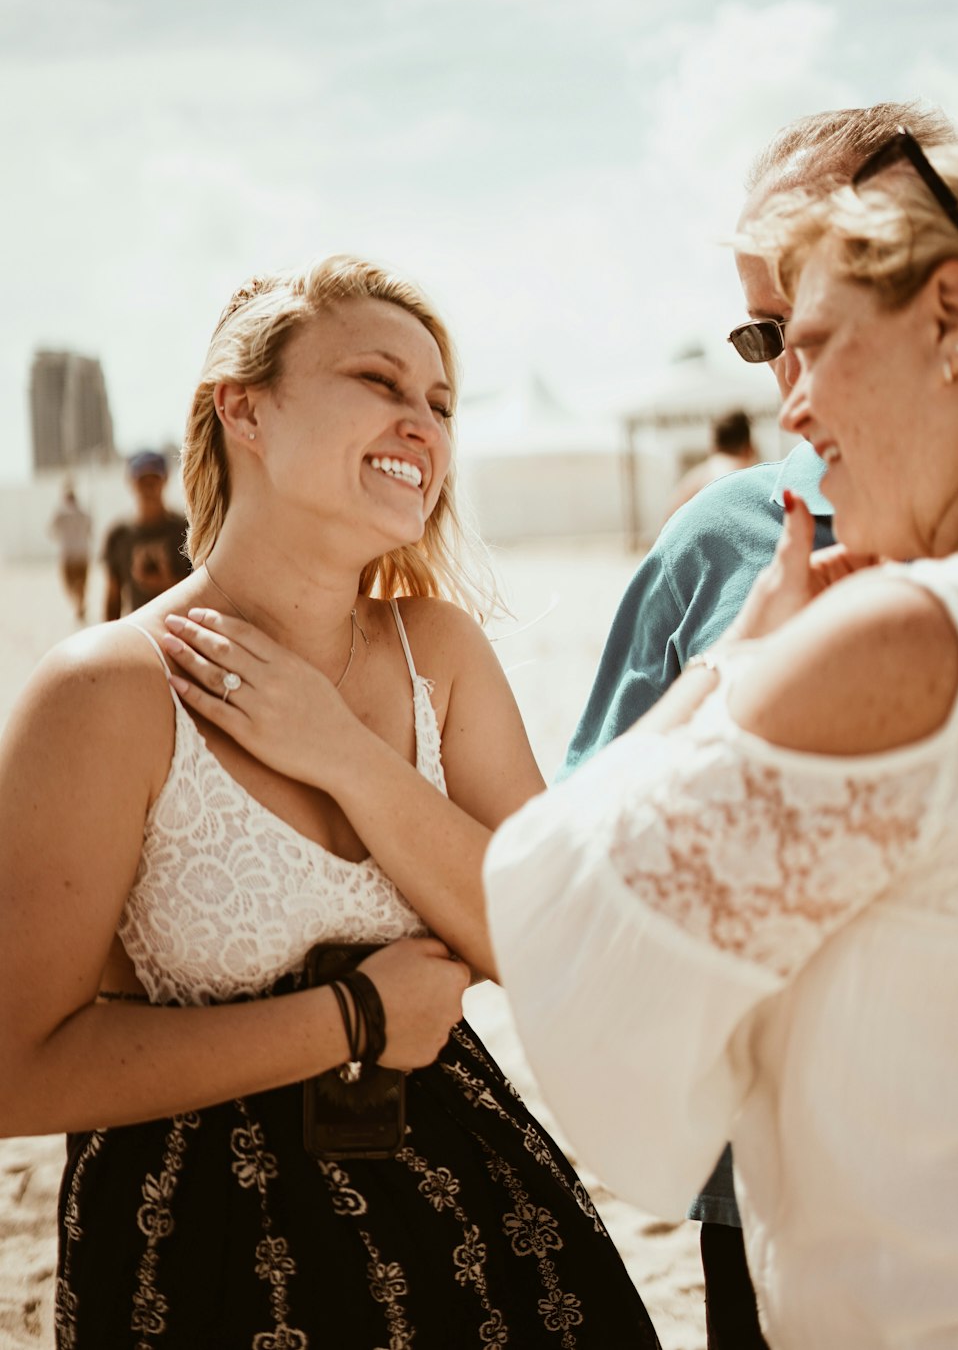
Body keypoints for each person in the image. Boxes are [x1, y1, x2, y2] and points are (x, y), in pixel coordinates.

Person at [0, 255, 658, 1348]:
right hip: (201, 1246)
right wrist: (349, 1018)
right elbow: (14, 1068)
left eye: (440, 403)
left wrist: (343, 755)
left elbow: (547, 940)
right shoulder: (105, 690)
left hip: (469, 1214)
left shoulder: (438, 652)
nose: (422, 425)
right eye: (378, 381)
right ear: (243, 409)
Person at [485, 132, 958, 1349]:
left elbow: (562, 922)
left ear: (951, 317)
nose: (793, 403)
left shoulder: (910, 638)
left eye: (811, 342)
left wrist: (740, 659)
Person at [103, 449, 191, 620]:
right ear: (131, 482)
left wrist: (167, 583)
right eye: (143, 480)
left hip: (182, 627)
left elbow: (204, 588)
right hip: (139, 628)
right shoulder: (119, 535)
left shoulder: (187, 529)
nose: (149, 486)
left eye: (154, 479)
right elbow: (113, 597)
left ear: (165, 479)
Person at [661, 409, 760, 525]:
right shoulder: (746, 478)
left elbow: (666, 525)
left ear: (714, 445)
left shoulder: (691, 482)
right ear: (749, 447)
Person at [49, 480, 92, 622]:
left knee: (68, 584)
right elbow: (89, 531)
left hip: (68, 554)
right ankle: (80, 604)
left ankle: (78, 605)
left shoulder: (61, 513)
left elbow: (52, 531)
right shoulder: (84, 512)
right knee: (81, 583)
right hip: (82, 553)